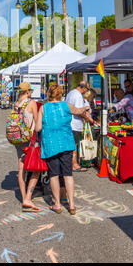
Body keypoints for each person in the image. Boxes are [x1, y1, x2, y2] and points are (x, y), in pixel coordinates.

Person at [36, 84, 88, 215]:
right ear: (60, 94)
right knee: (68, 174)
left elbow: (37, 128)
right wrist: (85, 107)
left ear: (49, 94)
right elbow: (78, 111)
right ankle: (71, 205)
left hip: (50, 144)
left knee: (53, 174)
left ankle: (57, 204)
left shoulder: (43, 108)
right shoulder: (66, 105)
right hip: (66, 142)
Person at [14, 82, 41, 212]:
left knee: (21, 169)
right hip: (28, 140)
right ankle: (27, 199)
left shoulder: (17, 103)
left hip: (17, 138)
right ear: (28, 91)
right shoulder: (31, 103)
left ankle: (24, 197)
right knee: (36, 167)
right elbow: (37, 124)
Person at [66, 81, 90, 172]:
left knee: (71, 145)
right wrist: (87, 118)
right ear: (83, 88)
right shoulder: (78, 95)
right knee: (74, 145)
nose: (86, 91)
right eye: (87, 89)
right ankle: (74, 165)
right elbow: (79, 112)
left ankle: (71, 164)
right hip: (75, 124)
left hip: (69, 123)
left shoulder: (71, 93)